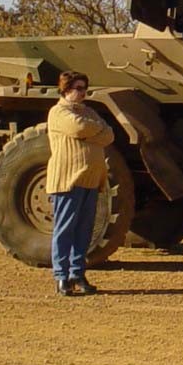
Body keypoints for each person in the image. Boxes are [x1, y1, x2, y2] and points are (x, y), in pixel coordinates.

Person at [46, 71, 114, 296]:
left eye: (85, 88)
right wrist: (93, 131)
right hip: (68, 181)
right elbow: (79, 128)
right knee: (65, 230)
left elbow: (109, 135)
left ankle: (78, 273)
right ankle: (61, 277)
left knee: (84, 231)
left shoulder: (89, 112)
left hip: (91, 180)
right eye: (78, 88)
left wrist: (92, 132)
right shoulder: (58, 112)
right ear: (66, 89)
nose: (83, 92)